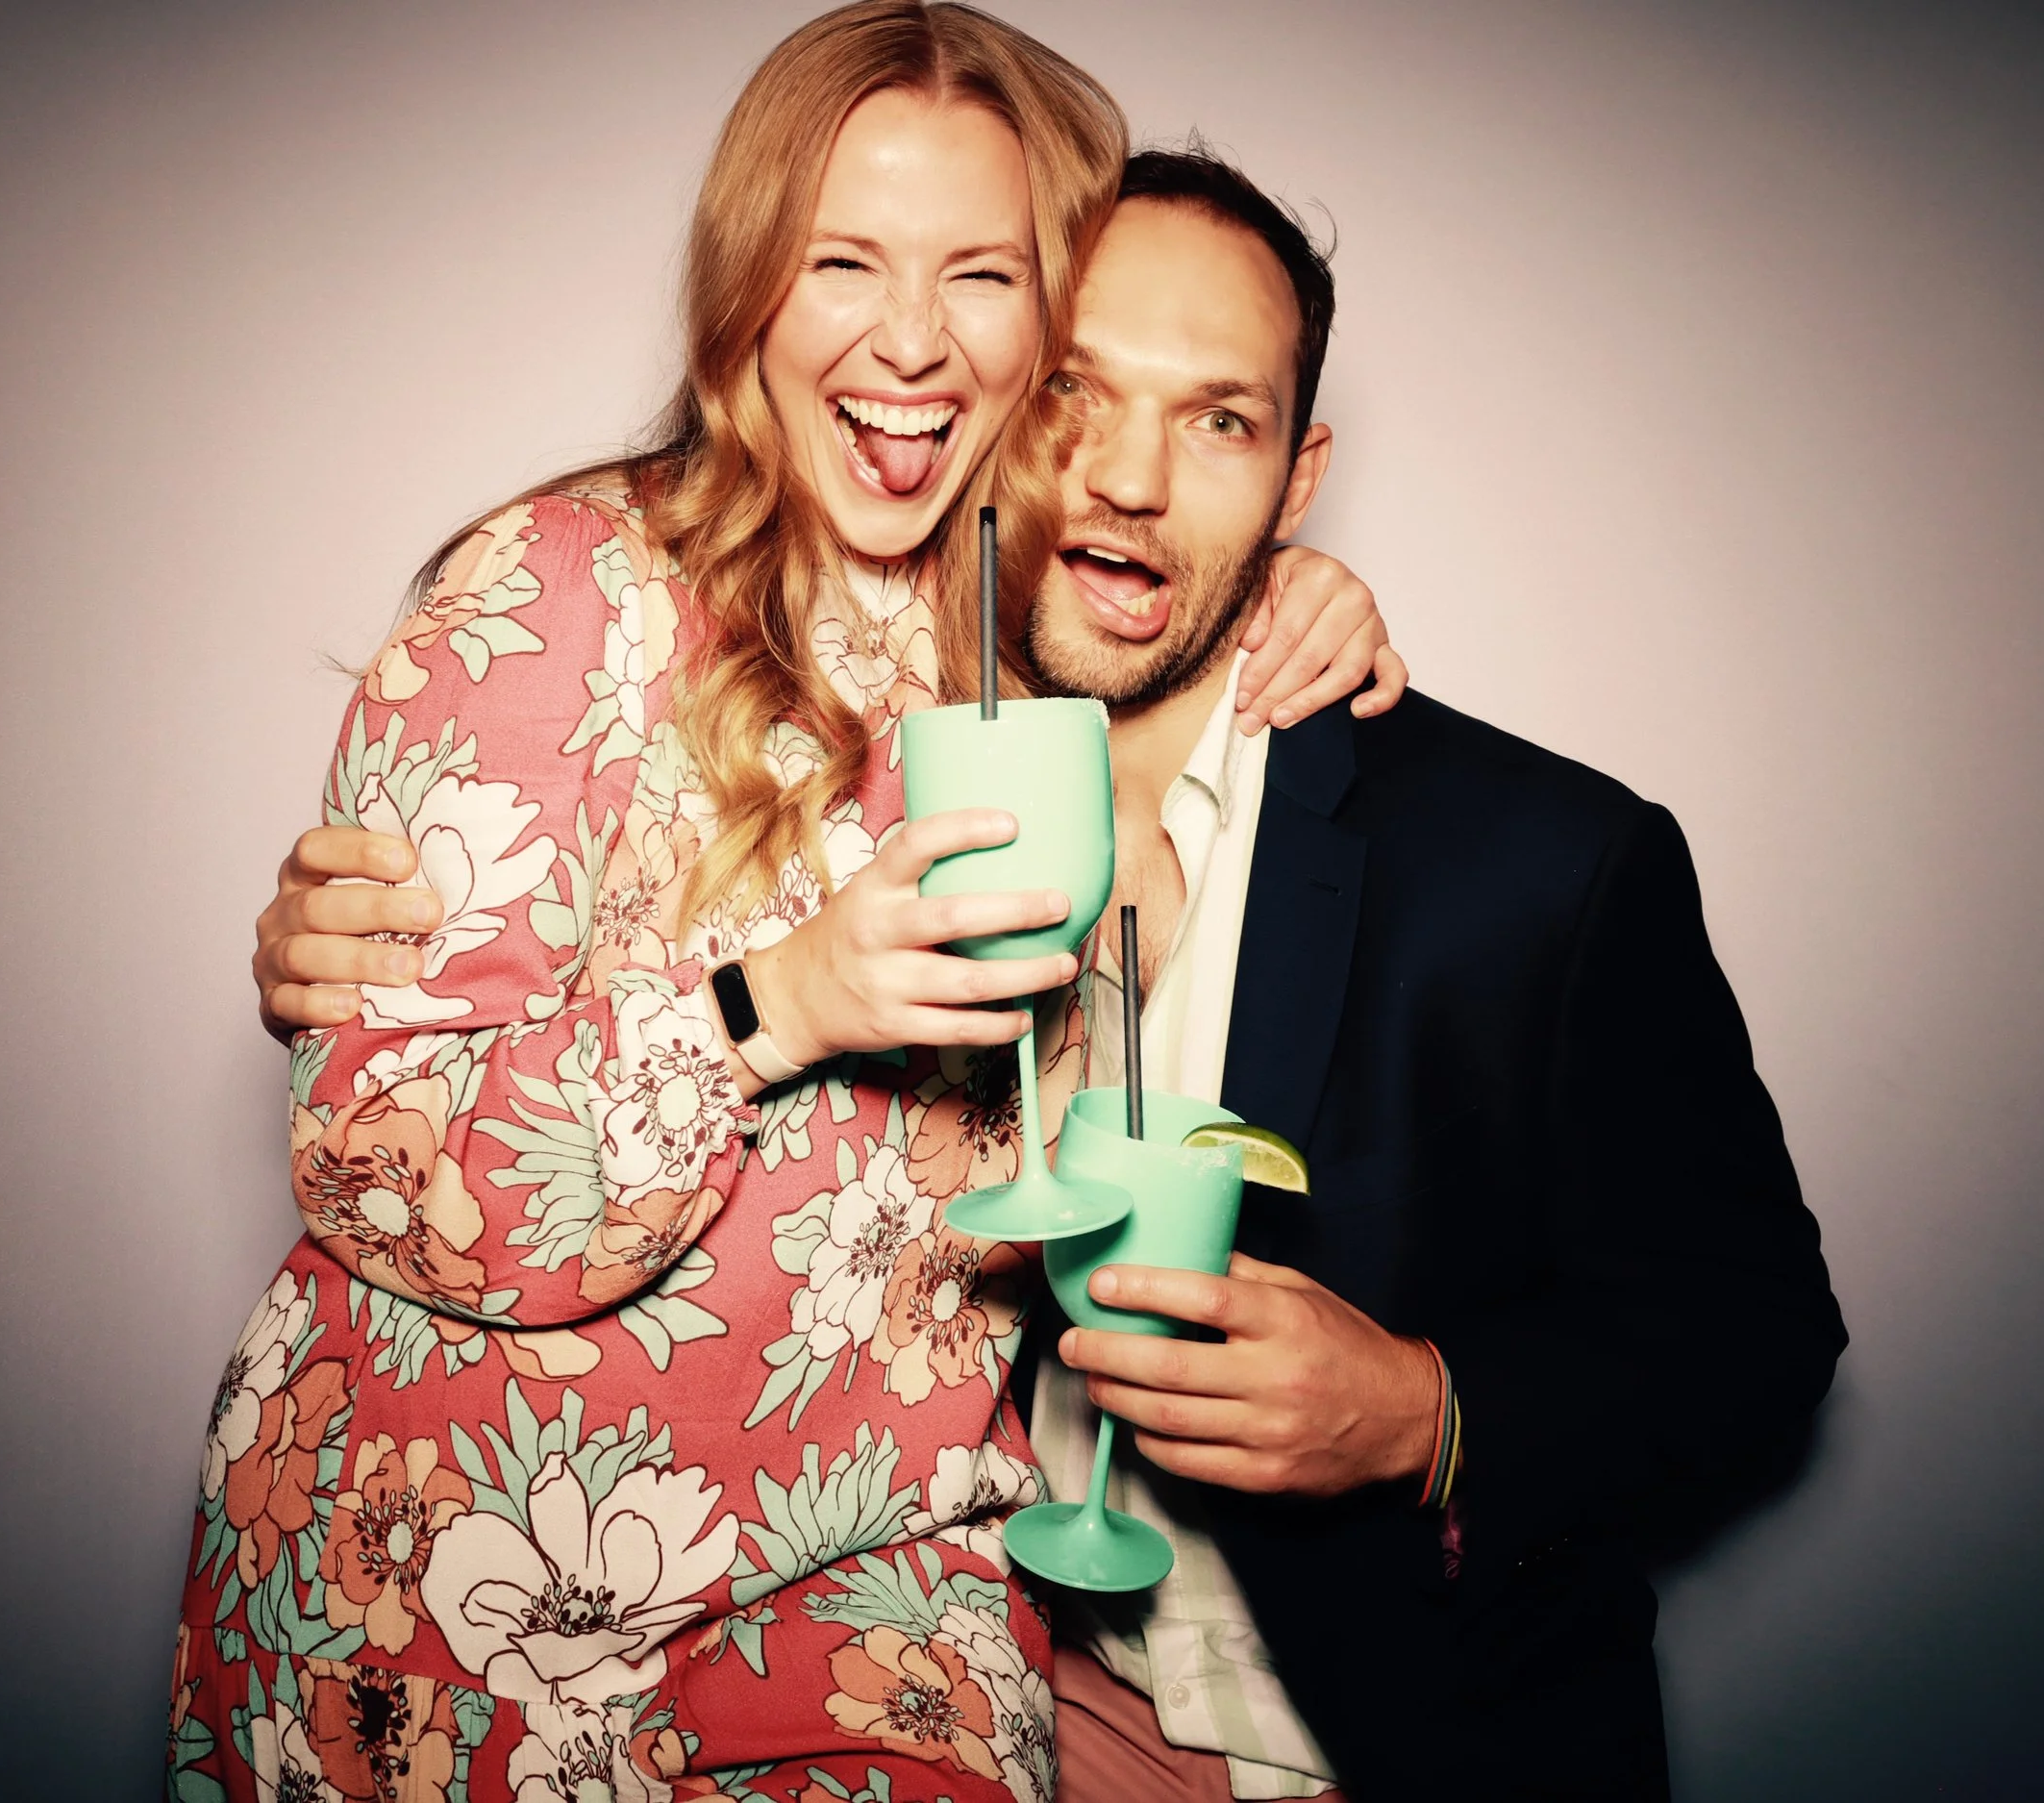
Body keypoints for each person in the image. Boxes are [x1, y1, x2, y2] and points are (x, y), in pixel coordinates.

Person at [264, 144, 1850, 1803]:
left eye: (1218, 421)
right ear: (998, 406)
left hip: (1385, 1744)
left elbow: (1756, 1333)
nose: (1130, 481)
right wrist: (360, 951)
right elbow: (535, 1003)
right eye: (1079, 397)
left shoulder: (1538, 862)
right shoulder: (829, 756)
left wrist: (1422, 1409)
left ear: (1299, 477)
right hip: (982, 1699)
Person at [173, 9, 1404, 1802]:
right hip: (445, 1577)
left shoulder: (1037, 642)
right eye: (846, 260)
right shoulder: (560, 587)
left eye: (982, 274)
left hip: (870, 1565)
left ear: (1048, 319)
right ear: (753, 281)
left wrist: (1314, 590)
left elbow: (1183, 552)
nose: (911, 340)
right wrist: (778, 1001)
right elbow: (370, 1151)